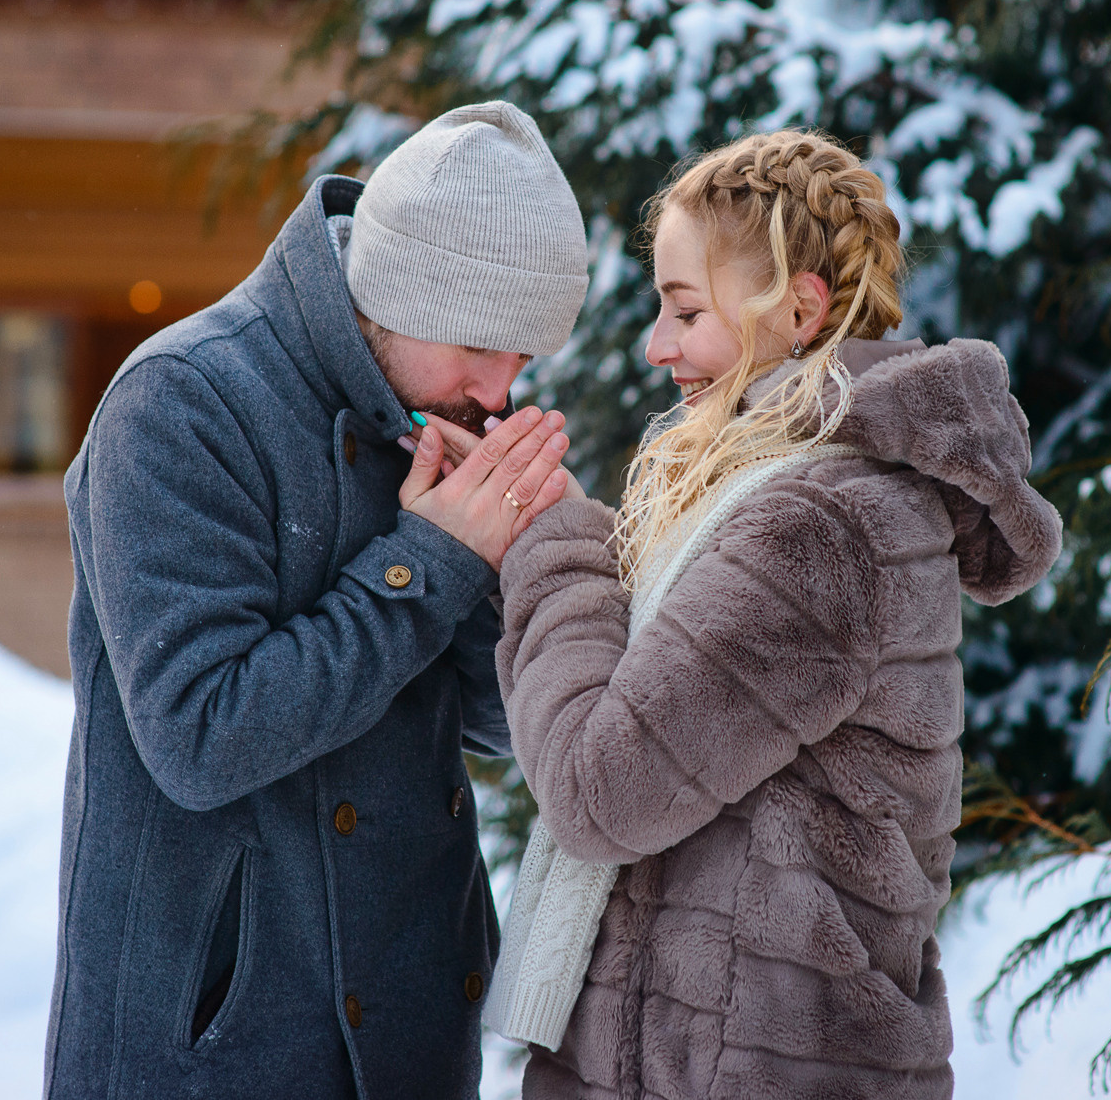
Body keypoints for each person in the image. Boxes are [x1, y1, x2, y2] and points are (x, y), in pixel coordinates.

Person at [448, 129, 1062, 1098]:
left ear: (798, 308)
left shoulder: (820, 527)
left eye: (683, 310)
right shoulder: (790, 501)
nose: (655, 346)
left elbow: (598, 788)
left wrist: (549, 540)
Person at [45, 101, 586, 1100]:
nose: (500, 389)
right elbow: (203, 737)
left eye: (526, 356)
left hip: (414, 1035)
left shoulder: (431, 407)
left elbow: (494, 721)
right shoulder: (181, 403)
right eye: (481, 343)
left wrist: (527, 559)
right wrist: (430, 559)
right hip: (212, 1047)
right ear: (390, 287)